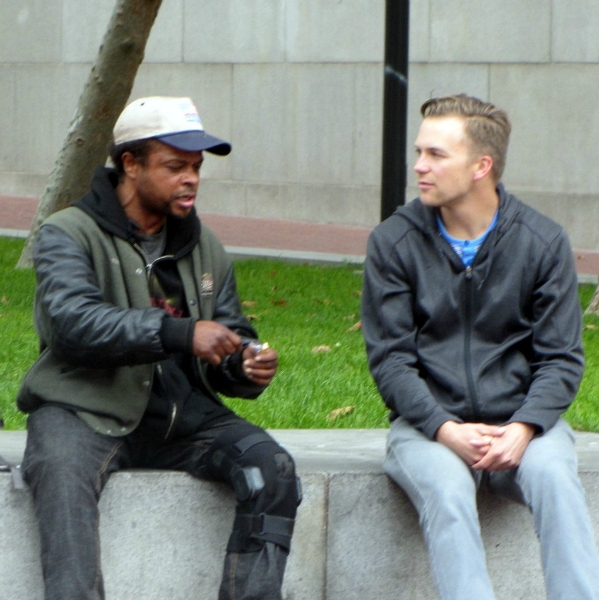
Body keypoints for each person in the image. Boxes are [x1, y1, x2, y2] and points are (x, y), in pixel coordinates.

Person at [17, 96, 301, 600]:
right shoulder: (67, 233)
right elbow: (72, 325)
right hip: (82, 410)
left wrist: (243, 363)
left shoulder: (204, 246)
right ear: (130, 163)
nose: (190, 178)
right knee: (61, 483)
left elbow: (227, 336)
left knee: (271, 470)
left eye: (196, 167)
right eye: (175, 166)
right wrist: (180, 332)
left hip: (180, 417)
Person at [361, 93, 599, 599]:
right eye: (419, 152)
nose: (419, 166)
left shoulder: (542, 241)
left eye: (435, 155)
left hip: (523, 424)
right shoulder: (393, 241)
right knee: (448, 493)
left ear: (480, 166)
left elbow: (560, 359)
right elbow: (391, 361)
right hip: (427, 429)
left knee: (556, 479)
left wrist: (524, 427)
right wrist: (444, 429)